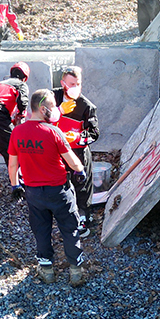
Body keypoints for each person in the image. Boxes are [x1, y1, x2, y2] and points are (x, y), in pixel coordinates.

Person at [8, 89, 90, 287]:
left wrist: (15, 185)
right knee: (69, 229)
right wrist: (80, 172)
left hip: (34, 193)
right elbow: (73, 162)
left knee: (41, 230)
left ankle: (47, 270)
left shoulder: (17, 132)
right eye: (53, 106)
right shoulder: (53, 132)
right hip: (59, 191)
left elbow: (12, 165)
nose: (55, 110)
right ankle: (76, 271)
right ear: (43, 108)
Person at [53, 66, 100, 237]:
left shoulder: (86, 106)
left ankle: (83, 219)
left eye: (78, 84)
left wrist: (78, 137)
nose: (75, 87)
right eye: (71, 83)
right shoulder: (52, 98)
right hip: (55, 151)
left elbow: (95, 134)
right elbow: (39, 117)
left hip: (78, 153)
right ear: (62, 83)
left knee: (81, 186)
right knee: (58, 184)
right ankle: (61, 215)